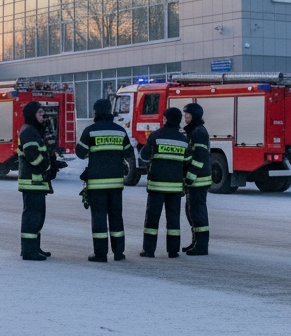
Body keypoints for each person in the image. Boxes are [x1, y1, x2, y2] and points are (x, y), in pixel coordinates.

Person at [75, 98, 134, 262]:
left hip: (97, 183)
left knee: (99, 217)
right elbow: (128, 153)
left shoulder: (90, 131)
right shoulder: (120, 131)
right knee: (116, 216)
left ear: (96, 112)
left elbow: (80, 153)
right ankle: (119, 253)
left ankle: (100, 254)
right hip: (116, 183)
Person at [140, 107, 190, 258]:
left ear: (167, 119)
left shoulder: (156, 135)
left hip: (156, 185)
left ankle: (149, 250)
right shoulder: (183, 139)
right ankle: (173, 251)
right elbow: (187, 161)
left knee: (152, 219)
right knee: (173, 219)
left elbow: (144, 156)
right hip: (175, 187)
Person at [17, 101, 56, 261]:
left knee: (38, 217)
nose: (43, 116)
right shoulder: (28, 131)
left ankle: (34, 247)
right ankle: (28, 251)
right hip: (32, 182)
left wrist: (53, 163)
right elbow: (32, 156)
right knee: (32, 217)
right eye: (40, 113)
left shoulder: (34, 131)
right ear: (32, 114)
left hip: (38, 182)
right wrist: (48, 167)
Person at [181, 102, 212, 255]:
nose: (185, 117)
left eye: (188, 114)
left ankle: (202, 245)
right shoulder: (193, 130)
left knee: (197, 211)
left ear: (195, 116)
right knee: (191, 211)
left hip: (199, 180)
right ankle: (196, 242)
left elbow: (200, 157)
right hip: (195, 180)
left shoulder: (199, 132)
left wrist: (189, 178)